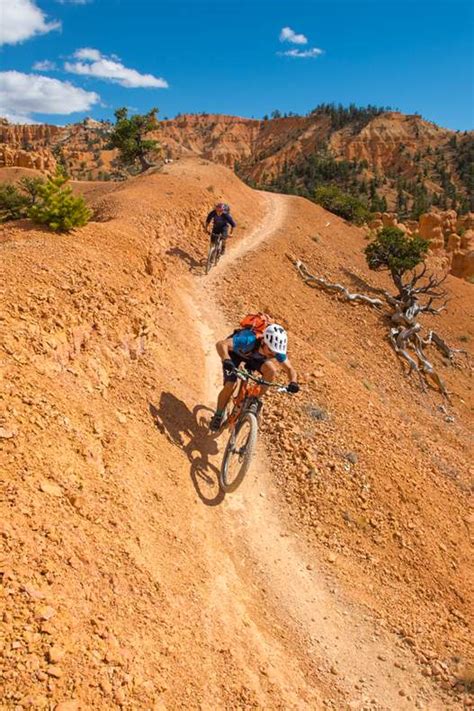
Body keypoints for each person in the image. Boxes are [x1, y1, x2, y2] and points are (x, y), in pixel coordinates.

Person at [209, 322, 299, 431]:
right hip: (235, 354)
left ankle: (254, 400)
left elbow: (290, 369)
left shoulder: (275, 350)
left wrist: (293, 382)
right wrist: (226, 360)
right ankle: (218, 415)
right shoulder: (248, 339)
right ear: (263, 342)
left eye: (276, 353)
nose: (273, 355)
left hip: (254, 358)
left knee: (271, 371)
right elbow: (221, 344)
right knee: (230, 385)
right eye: (270, 350)